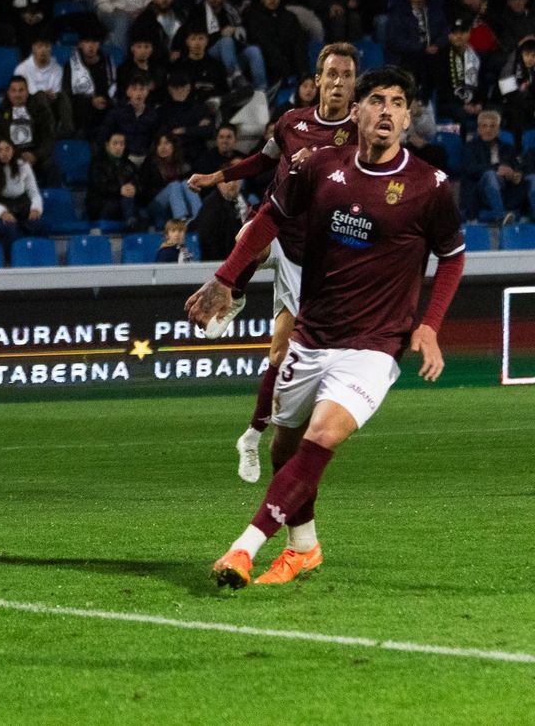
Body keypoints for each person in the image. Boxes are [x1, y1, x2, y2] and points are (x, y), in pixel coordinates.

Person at [191, 66, 465, 588]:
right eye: (377, 100)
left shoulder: (430, 186)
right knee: (282, 450)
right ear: (356, 111)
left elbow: (451, 258)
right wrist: (226, 278)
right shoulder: (318, 166)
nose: (387, 110)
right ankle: (303, 547)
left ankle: (242, 550)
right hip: (313, 335)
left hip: (375, 346)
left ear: (408, 117)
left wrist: (428, 326)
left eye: (398, 102)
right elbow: (269, 218)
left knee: (321, 436)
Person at [189, 43, 359, 483]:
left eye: (347, 75)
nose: (338, 82)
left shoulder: (361, 134)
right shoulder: (291, 123)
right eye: (332, 73)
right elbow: (263, 161)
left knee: (280, 356)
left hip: (313, 257)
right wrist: (217, 176)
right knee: (248, 236)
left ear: (354, 84)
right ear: (317, 79)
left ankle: (251, 436)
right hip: (277, 227)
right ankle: (236, 295)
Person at [0, 137, 44, 255]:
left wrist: (35, 209)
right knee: (10, 227)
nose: (4, 153)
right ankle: (14, 259)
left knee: (37, 223)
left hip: (22, 205)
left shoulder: (24, 166)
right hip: (1, 206)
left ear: (13, 150)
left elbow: (34, 193)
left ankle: (37, 257)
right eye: (0, 150)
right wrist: (3, 213)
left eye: (7, 149)